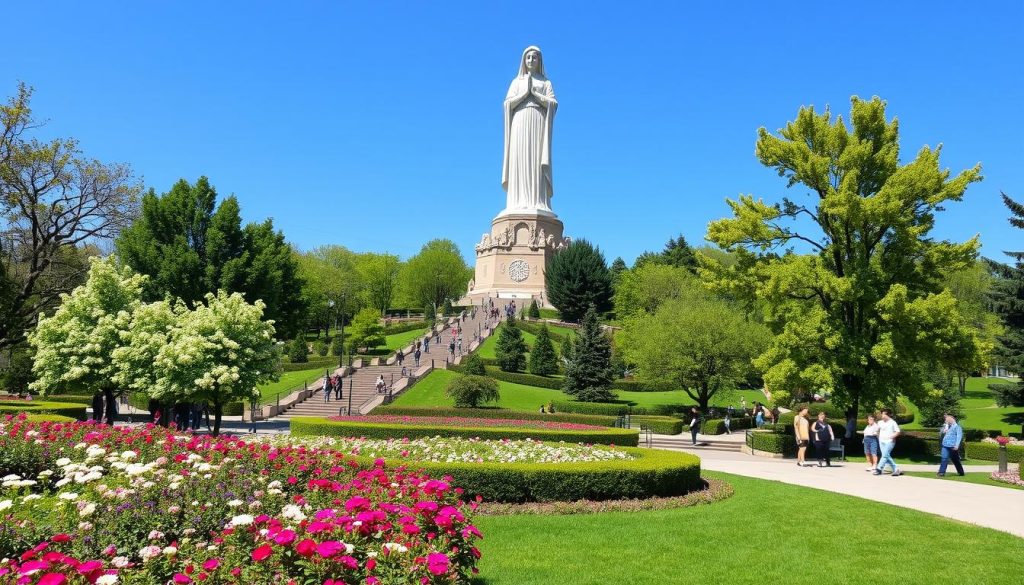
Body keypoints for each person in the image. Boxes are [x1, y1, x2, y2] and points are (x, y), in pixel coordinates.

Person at [874, 408, 902, 476]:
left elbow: (898, 432)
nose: (882, 415)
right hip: (881, 441)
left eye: (883, 414)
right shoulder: (880, 422)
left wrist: (892, 437)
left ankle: (879, 469)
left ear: (887, 415)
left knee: (884, 455)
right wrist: (878, 438)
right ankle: (896, 469)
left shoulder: (892, 422)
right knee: (886, 455)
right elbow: (877, 430)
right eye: (882, 414)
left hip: (890, 441)